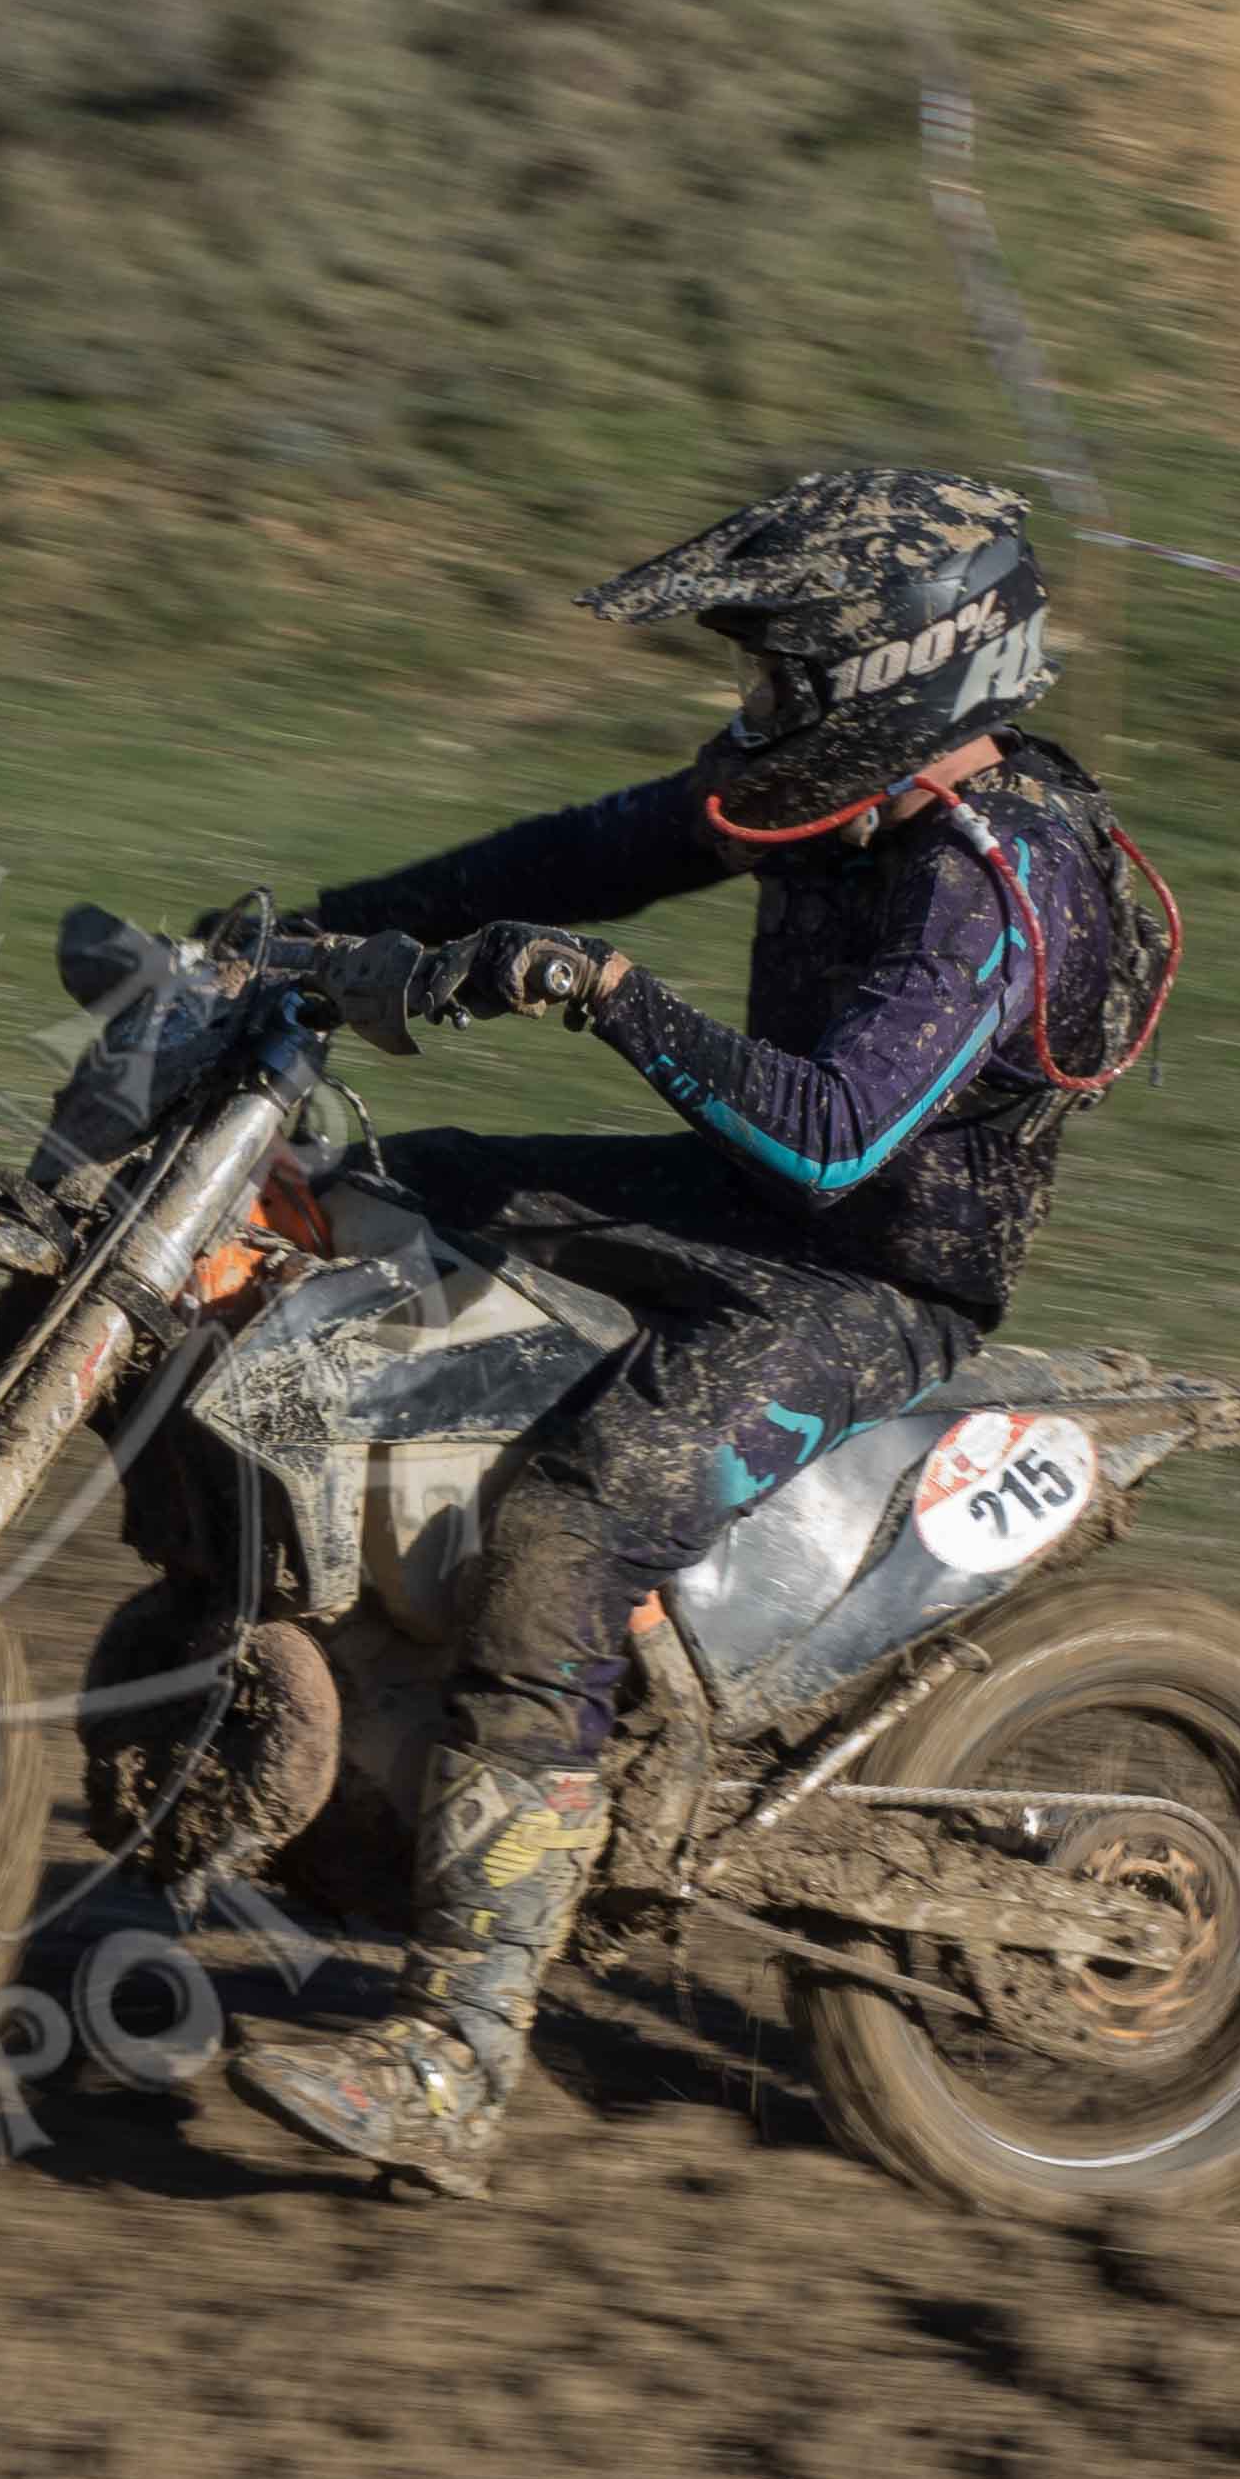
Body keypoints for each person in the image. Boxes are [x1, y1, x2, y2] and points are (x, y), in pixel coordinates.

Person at [224, 466, 1174, 2200]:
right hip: (742, 1204)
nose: (753, 708)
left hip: (871, 1284)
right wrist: (316, 936)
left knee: (567, 1531)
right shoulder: (831, 795)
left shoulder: (996, 877)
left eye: (780, 675)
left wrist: (605, 994)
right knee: (363, 1202)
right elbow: (578, 854)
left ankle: (454, 2056)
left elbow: (830, 1139)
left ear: (895, 672)